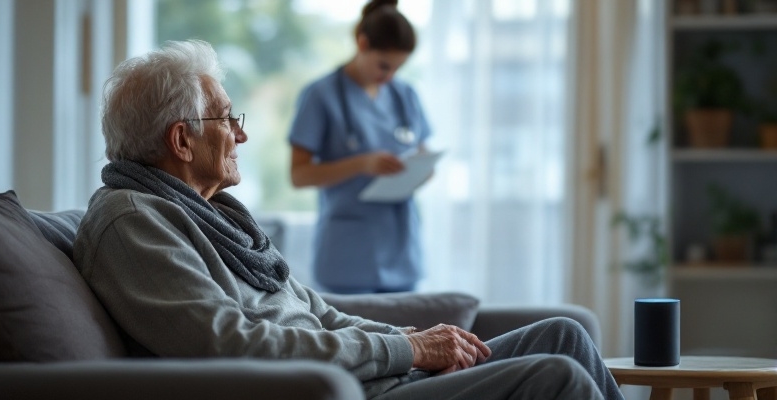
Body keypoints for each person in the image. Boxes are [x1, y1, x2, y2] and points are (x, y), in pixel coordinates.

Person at [73, 39, 624, 400]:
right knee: (558, 377)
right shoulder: (132, 221)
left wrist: (411, 339)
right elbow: (229, 343)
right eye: (226, 118)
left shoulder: (212, 215)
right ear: (181, 140)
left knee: (564, 336)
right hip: (340, 390)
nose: (240, 134)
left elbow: (317, 312)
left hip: (368, 374)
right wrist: (408, 351)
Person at [287, 0, 431, 294]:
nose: (389, 76)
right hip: (346, 258)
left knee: (412, 339)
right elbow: (299, 175)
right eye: (384, 65)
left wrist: (421, 169)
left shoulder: (405, 95)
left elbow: (421, 150)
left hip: (402, 252)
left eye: (398, 68)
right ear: (362, 43)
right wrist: (362, 164)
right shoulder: (320, 96)